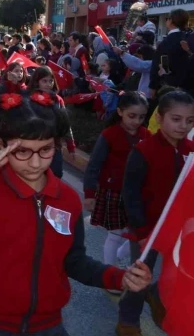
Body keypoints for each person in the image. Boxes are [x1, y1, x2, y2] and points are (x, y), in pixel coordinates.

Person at [0, 92, 153, 336]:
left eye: (45, 150)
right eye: (22, 151)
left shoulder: (67, 199)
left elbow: (75, 261)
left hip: (48, 326)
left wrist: (120, 278)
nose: (35, 163)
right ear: (1, 144)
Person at [118, 90, 194, 335]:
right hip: (147, 228)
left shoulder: (191, 152)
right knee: (139, 274)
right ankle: (128, 321)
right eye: (176, 118)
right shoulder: (144, 150)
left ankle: (158, 295)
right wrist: (140, 230)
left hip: (180, 227)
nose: (183, 126)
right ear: (160, 118)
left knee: (177, 268)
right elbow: (130, 194)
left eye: (190, 121)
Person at [83, 92, 150, 274]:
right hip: (114, 192)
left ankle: (120, 257)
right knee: (115, 234)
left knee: (137, 233)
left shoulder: (146, 135)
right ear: (120, 112)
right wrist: (89, 194)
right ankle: (111, 274)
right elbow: (94, 165)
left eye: (141, 117)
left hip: (137, 194)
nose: (136, 121)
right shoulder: (110, 134)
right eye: (132, 116)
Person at [149, 9, 190, 95]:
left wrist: (153, 87)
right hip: (188, 88)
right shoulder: (189, 38)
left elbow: (156, 66)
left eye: (167, 18)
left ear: (171, 20)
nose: (166, 20)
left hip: (169, 88)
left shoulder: (167, 42)